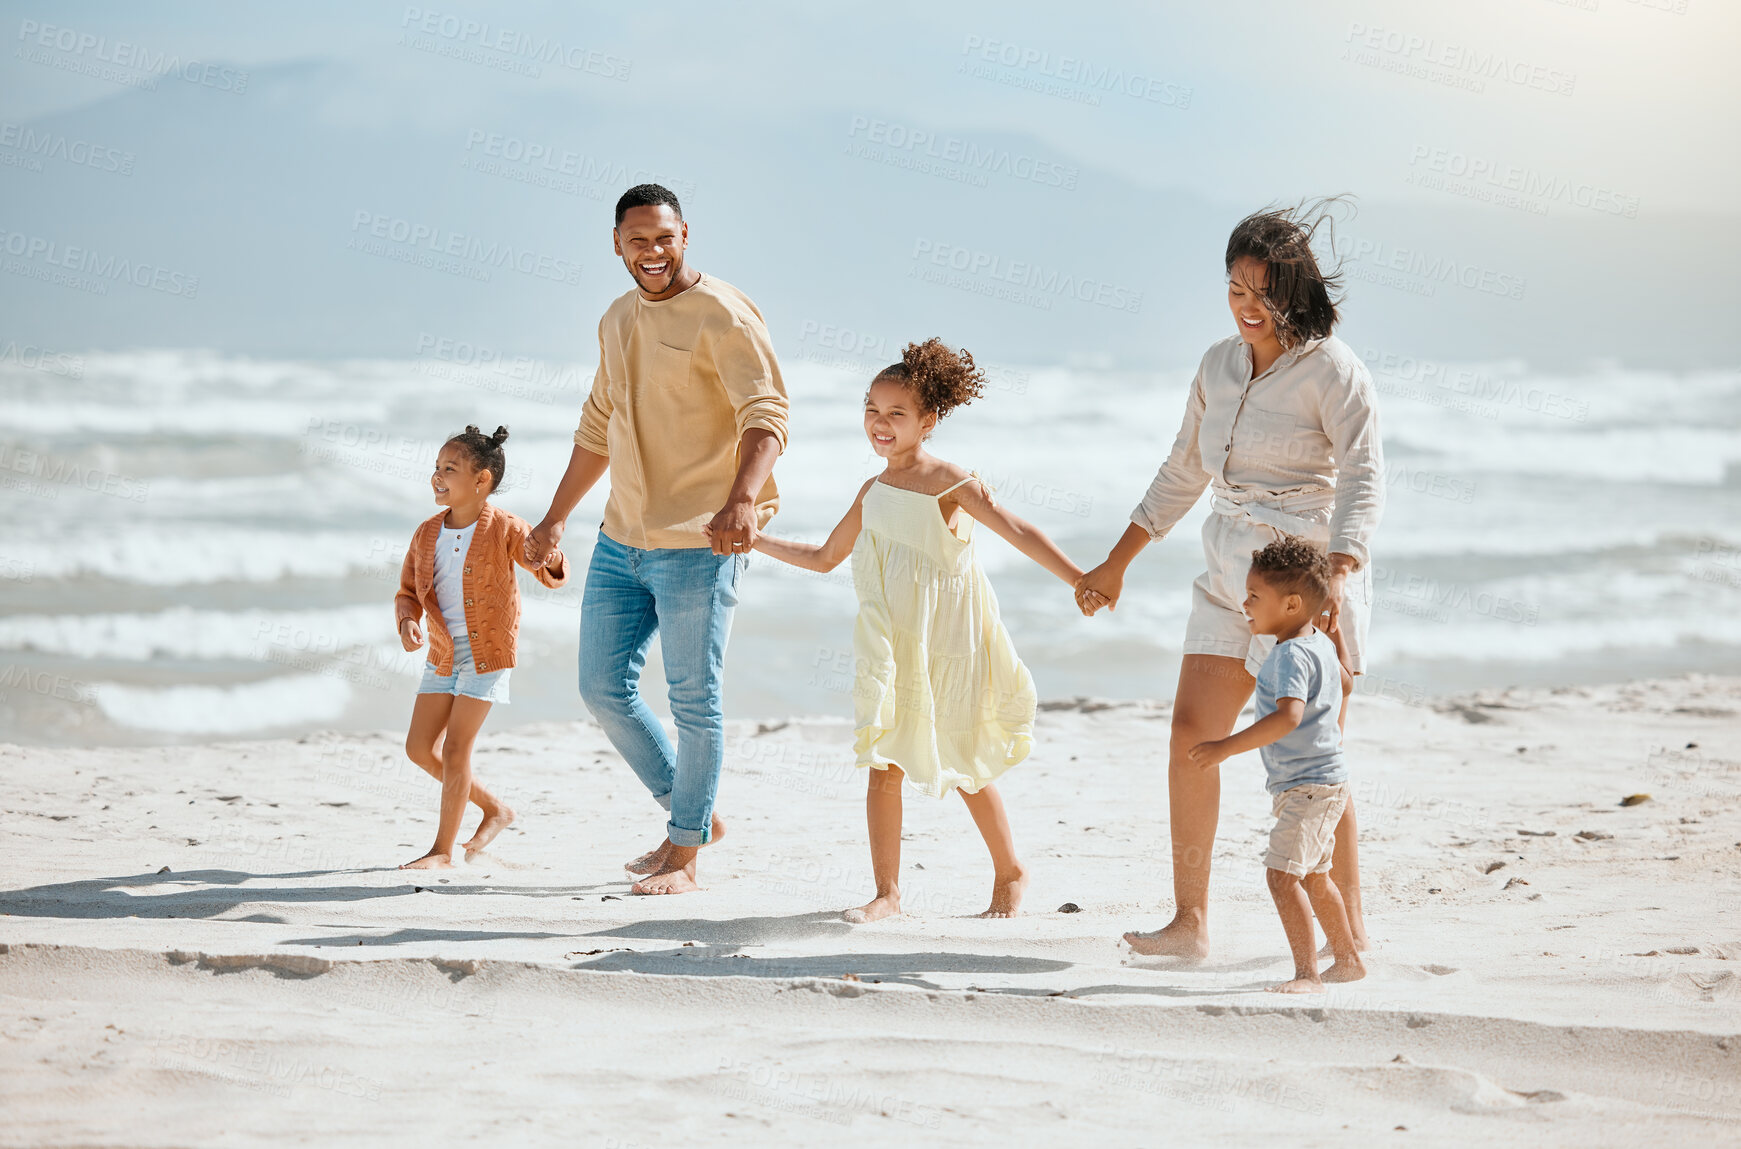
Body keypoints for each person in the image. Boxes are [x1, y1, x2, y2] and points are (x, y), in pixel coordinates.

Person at [1075, 201, 1384, 958]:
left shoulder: (1332, 370)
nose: (1246, 307)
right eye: (1235, 288)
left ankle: (1350, 934)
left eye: (1262, 291)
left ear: (1294, 289)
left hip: (1305, 581)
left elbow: (1362, 474)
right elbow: (1182, 468)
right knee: (1190, 737)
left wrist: (1338, 569)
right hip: (1227, 573)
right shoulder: (1216, 363)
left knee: (1314, 765)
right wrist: (1117, 560)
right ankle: (1190, 922)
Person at [744, 338, 1083, 920]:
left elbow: (1017, 530)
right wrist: (754, 538)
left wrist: (1080, 578)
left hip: (947, 643)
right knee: (883, 761)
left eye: (896, 413)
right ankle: (888, 894)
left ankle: (1011, 870)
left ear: (927, 421)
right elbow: (827, 557)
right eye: (872, 409)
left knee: (966, 759)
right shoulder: (872, 491)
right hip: (890, 644)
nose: (881, 422)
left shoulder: (949, 481)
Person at [523, 184, 788, 895]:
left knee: (693, 700)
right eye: (637, 239)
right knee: (601, 687)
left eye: (664, 238)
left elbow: (766, 418)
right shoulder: (615, 318)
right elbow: (595, 427)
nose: (651, 252)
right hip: (621, 537)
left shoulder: (723, 315)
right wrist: (553, 519)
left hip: (700, 540)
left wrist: (740, 501)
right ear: (616, 244)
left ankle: (685, 855)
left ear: (686, 236)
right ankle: (689, 815)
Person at [1185, 537, 1366, 992]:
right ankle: (1347, 960)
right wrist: (1338, 632)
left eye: (1254, 597)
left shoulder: (1287, 656)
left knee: (1282, 877)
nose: (1244, 604)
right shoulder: (1318, 642)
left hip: (1307, 787)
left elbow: (1288, 716)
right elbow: (1346, 684)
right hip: (1325, 785)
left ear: (1291, 604)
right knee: (1316, 877)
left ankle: (1308, 976)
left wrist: (1225, 747)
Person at [394, 425, 568, 870]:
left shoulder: (506, 527)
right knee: (418, 748)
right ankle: (495, 809)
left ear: (481, 480)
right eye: (436, 467)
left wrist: (549, 558)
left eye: (449, 469)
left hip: (487, 652)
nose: (437, 476)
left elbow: (542, 564)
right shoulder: (426, 533)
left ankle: (441, 852)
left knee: (456, 750)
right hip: (443, 652)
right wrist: (408, 620)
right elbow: (408, 591)